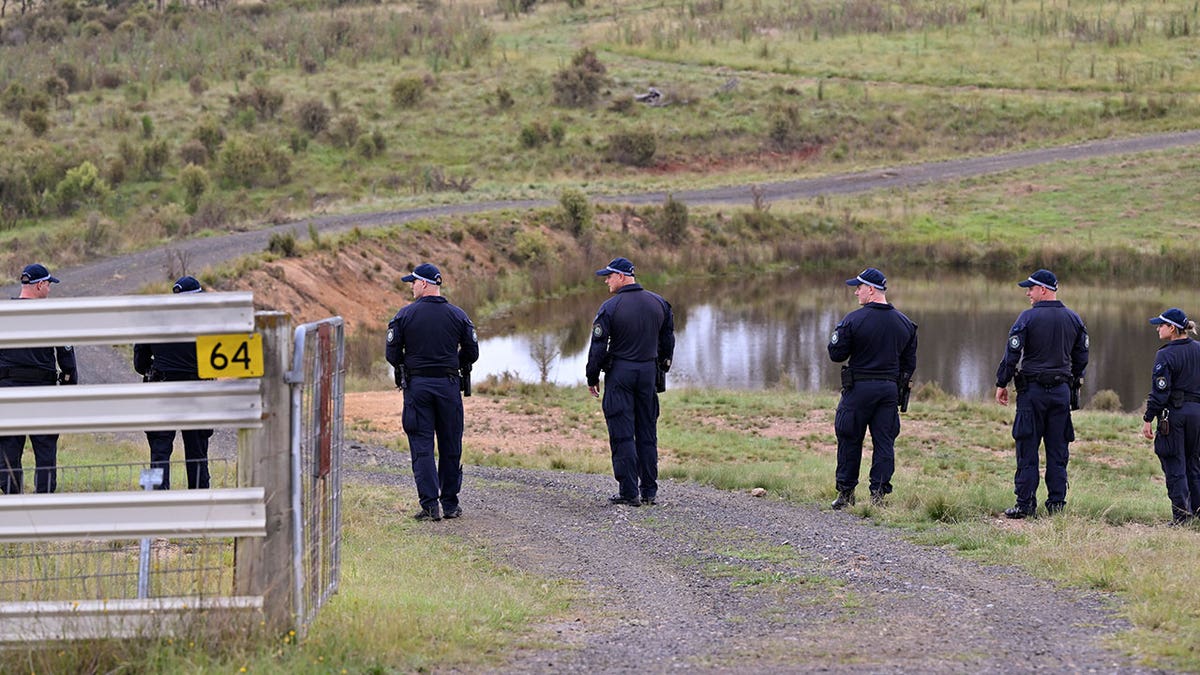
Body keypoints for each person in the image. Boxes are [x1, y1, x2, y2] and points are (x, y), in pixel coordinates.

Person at [386, 263, 479, 522]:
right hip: (448, 387)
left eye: (413, 282)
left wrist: (413, 365)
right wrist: (451, 365)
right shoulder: (458, 315)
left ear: (424, 284)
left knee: (422, 446)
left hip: (418, 389)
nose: (412, 287)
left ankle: (429, 507)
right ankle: (450, 504)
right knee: (450, 445)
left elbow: (392, 355)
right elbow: (472, 353)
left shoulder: (404, 316)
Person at [994, 268, 1089, 519]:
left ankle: (1025, 505)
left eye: (1031, 289)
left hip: (1032, 393)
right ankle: (1056, 505)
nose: (1028, 293)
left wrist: (1002, 382)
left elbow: (1012, 354)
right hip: (1060, 393)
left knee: (1027, 448)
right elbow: (1082, 357)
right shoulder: (1074, 319)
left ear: (1044, 290)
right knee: (1058, 451)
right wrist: (1072, 382)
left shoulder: (1027, 319)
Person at [586, 257, 675, 507]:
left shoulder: (610, 308)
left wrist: (592, 376)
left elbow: (598, 347)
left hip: (620, 375)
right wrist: (662, 369)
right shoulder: (659, 303)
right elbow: (667, 341)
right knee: (647, 432)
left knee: (622, 433)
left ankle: (628, 492)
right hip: (647, 373)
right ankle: (649, 490)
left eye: (609, 276)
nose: (606, 280)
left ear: (622, 277)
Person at [827, 267, 918, 509]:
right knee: (884, 442)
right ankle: (878, 495)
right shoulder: (905, 324)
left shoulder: (853, 320)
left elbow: (836, 354)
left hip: (859, 390)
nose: (856, 292)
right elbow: (909, 365)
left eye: (858, 288)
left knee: (849, 437)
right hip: (889, 391)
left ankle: (846, 494)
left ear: (871, 289)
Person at [0, 263, 78, 494]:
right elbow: (67, 362)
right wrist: (67, 389)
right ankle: (43, 500)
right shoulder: (51, 316)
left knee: (8, 449)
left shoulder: (4, 314)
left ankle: (13, 499)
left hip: (8, 393)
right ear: (40, 285)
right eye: (49, 284)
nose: (50, 290)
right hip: (42, 393)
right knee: (45, 450)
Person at [132, 275, 213, 490]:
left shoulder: (154, 321)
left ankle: (154, 499)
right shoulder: (208, 322)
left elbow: (139, 362)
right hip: (196, 392)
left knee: (158, 450)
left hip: (161, 390)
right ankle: (201, 500)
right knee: (198, 452)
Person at [1140, 308, 1200, 525]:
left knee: (1175, 464)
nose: (1158, 328)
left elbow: (1160, 392)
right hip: (1197, 415)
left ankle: (1181, 517)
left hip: (1175, 415)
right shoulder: (1198, 350)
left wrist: (1148, 417)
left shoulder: (1165, 354)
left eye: (1161, 325)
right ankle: (1197, 512)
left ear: (1172, 329)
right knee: (1194, 464)